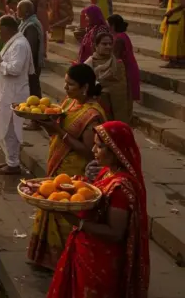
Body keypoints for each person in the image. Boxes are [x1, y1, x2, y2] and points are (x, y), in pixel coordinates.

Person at [46, 121, 149, 298]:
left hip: (100, 260)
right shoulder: (107, 172)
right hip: (85, 249)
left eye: (100, 147)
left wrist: (78, 222)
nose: (93, 150)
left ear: (116, 151)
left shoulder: (120, 188)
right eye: (94, 144)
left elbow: (115, 232)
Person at [28, 63, 106, 269]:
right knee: (50, 204)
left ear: (85, 87)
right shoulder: (70, 102)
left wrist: (58, 132)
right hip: (58, 164)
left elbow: (89, 151)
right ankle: (45, 258)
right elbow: (58, 131)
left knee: (63, 212)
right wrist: (48, 125)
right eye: (65, 83)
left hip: (74, 172)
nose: (65, 88)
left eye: (70, 85)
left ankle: (63, 261)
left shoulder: (92, 114)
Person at [0, 16, 33, 175]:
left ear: (8, 28)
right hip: (7, 92)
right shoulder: (13, 42)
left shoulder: (19, 44)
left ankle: (13, 164)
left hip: (14, 94)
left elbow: (15, 69)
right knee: (4, 128)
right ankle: (9, 160)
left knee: (10, 130)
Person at [85, 33, 132, 123]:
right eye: (104, 44)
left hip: (118, 108)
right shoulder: (89, 64)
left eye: (110, 44)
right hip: (97, 109)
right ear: (96, 46)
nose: (108, 47)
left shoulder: (118, 63)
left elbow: (125, 88)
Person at [107, 15, 141, 102]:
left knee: (125, 99)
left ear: (112, 26)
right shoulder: (122, 35)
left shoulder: (119, 39)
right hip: (128, 67)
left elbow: (115, 57)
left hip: (126, 70)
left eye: (108, 24)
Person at [16, 0, 45, 99]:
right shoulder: (25, 22)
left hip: (32, 64)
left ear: (27, 12)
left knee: (33, 89)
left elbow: (30, 48)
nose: (16, 12)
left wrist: (24, 63)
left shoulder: (31, 26)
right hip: (28, 63)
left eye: (18, 9)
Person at [161, 0, 185, 68]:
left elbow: (183, 4)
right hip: (173, 18)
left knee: (174, 40)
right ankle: (174, 61)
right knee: (172, 39)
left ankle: (176, 61)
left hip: (177, 18)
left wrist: (171, 11)